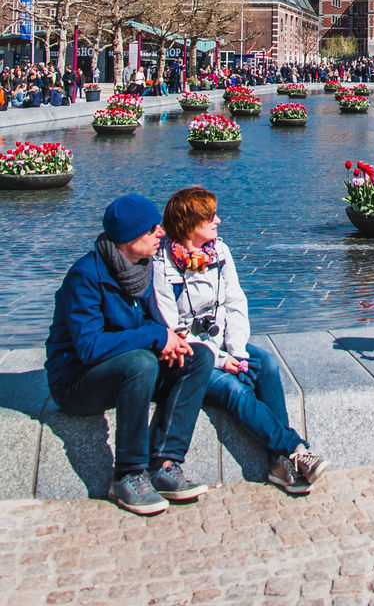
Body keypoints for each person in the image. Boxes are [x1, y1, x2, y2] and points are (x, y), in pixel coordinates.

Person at [45, 194, 214, 516]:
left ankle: (165, 464)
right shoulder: (85, 276)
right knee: (140, 362)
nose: (160, 234)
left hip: (127, 371)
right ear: (129, 239)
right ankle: (128, 474)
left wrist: (170, 341)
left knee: (198, 356)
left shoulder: (141, 267)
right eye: (152, 230)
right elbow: (89, 347)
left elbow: (148, 321)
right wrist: (153, 337)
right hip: (76, 382)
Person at [153, 186, 327, 495]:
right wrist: (222, 361)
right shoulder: (161, 264)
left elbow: (236, 303)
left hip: (224, 346)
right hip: (191, 359)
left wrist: (237, 351)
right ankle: (295, 449)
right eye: (209, 217)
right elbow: (173, 330)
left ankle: (279, 463)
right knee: (234, 389)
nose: (218, 221)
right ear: (188, 224)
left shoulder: (220, 251)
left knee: (267, 364)